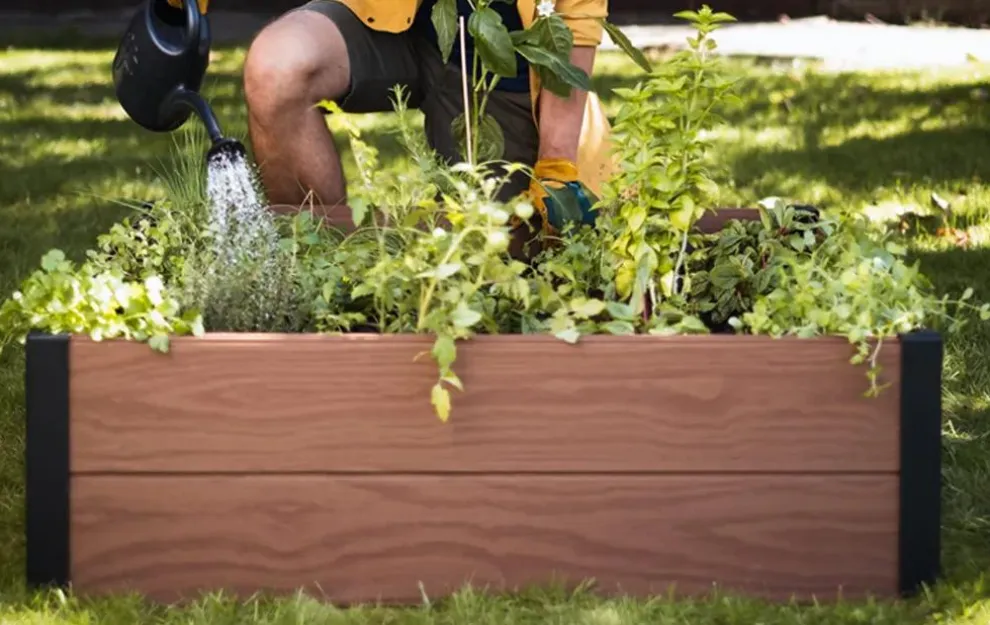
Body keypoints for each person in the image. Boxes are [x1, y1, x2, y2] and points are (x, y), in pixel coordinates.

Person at [171, 0, 616, 238]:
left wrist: (558, 160)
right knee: (278, 69)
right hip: (388, 22)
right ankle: (315, 273)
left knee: (500, 247)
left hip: (499, 66)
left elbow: (575, 19)